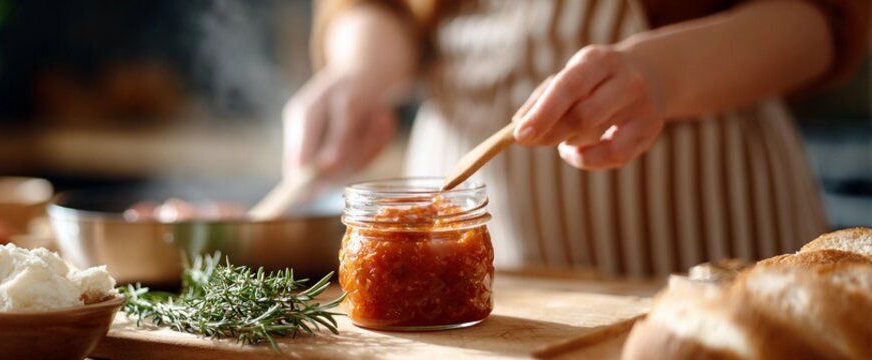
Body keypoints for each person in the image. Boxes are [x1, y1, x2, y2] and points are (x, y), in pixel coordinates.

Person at [282, 0, 869, 276]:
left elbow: (828, 17)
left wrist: (664, 75)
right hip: (484, 243)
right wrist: (359, 72)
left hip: (710, 221)